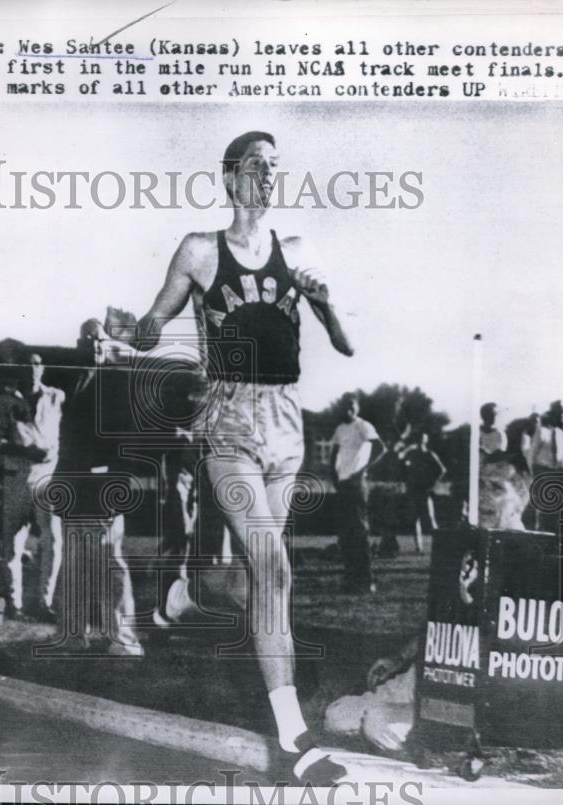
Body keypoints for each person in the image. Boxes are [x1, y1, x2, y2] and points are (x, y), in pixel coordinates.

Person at [135, 131, 355, 785]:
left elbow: (343, 343)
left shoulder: (299, 250)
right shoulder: (200, 249)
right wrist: (139, 328)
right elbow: (153, 323)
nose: (268, 176)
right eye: (257, 166)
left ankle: (188, 592)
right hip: (227, 423)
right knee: (272, 562)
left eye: (276, 168)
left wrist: (323, 302)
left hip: (287, 424)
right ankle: (297, 740)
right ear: (230, 179)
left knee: (267, 581)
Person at [45, 320, 143, 656]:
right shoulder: (71, 384)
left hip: (103, 487)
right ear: (78, 344)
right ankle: (73, 633)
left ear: (107, 345)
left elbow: (126, 442)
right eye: (87, 340)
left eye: (99, 340)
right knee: (74, 563)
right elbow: (65, 444)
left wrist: (116, 484)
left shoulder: (117, 383)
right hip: (74, 487)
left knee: (109, 562)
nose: (93, 345)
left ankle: (122, 637)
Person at [0, 354, 65, 621]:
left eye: (36, 363)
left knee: (53, 541)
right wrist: (23, 451)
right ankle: (15, 604)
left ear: (42, 368)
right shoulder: (5, 402)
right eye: (26, 364)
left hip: (47, 477)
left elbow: (65, 432)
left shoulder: (56, 397)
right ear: (18, 369)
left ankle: (44, 602)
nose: (31, 369)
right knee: (12, 544)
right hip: (17, 477)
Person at [329, 394, 384, 593]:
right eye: (345, 406)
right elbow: (334, 453)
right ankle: (351, 577)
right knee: (346, 534)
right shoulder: (340, 429)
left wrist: (362, 470)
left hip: (357, 483)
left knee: (359, 532)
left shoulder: (363, 425)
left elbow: (380, 448)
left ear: (357, 408)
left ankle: (367, 579)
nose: (348, 410)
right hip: (343, 484)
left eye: (352, 406)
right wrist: (333, 476)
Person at [523, 400, 563, 532]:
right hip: (541, 472)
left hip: (556, 474)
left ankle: (552, 538)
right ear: (553, 415)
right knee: (541, 507)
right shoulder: (541, 432)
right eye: (559, 414)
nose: (562, 417)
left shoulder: (561, 434)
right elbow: (531, 455)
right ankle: (538, 533)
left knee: (555, 508)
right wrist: (533, 475)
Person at [478, 402, 529, 530]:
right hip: (478, 470)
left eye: (495, 414)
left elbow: (499, 455)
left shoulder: (499, 434)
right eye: (490, 414)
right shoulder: (476, 432)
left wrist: (485, 453)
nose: (493, 417)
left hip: (493, 470)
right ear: (484, 415)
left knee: (503, 499)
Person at [399, 433, 446, 551]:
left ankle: (439, 544)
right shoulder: (412, 454)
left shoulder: (429, 455)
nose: (420, 442)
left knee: (430, 518)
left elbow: (442, 470)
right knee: (414, 518)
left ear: (425, 441)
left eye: (421, 440)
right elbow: (400, 461)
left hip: (424, 489)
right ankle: (418, 546)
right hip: (413, 488)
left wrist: (432, 482)